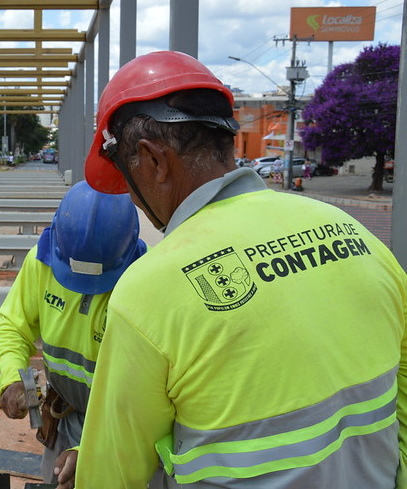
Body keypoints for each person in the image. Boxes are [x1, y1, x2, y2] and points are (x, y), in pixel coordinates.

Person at [61, 50, 407, 488]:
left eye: (129, 178)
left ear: (153, 160)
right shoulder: (355, 234)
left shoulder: (151, 290)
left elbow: (110, 475)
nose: (132, 198)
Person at [0, 180, 146, 486]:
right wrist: (12, 377)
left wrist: (93, 450)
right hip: (69, 416)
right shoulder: (43, 261)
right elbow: (14, 324)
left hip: (123, 432)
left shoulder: (147, 282)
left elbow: (147, 401)